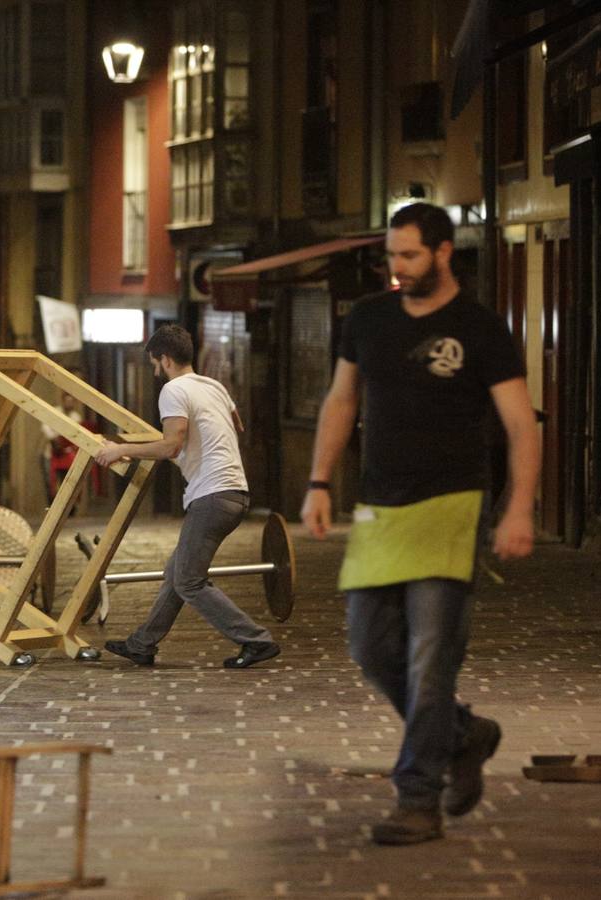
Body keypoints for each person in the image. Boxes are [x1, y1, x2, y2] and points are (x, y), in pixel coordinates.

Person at [300, 202, 541, 846]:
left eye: (410, 256)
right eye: (392, 257)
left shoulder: (481, 329)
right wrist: (320, 483)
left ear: (443, 253)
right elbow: (342, 400)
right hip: (380, 508)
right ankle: (464, 735)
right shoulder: (370, 320)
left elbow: (521, 424)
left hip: (453, 506)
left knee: (431, 657)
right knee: (370, 647)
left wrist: (518, 509)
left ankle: (418, 797)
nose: (398, 269)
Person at [94, 324, 281, 670]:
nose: (155, 372)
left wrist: (122, 449)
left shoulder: (174, 390)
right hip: (234, 491)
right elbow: (236, 424)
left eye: (154, 364)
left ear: (165, 359)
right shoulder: (213, 386)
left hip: (212, 494)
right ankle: (142, 644)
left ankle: (256, 640)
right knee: (176, 572)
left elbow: (171, 445)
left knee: (189, 581)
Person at [41, 393, 85, 500]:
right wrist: (55, 438)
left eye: (71, 401)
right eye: (67, 401)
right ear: (63, 401)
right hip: (52, 452)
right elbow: (45, 426)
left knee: (68, 480)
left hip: (68, 454)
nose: (69, 403)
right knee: (50, 479)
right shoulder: (55, 412)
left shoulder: (76, 417)